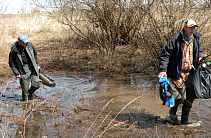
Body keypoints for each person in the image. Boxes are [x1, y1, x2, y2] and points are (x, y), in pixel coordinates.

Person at [158, 20, 204, 125]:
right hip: (177, 73)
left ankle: (184, 121)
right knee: (179, 98)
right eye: (190, 27)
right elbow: (165, 55)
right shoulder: (175, 39)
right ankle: (172, 115)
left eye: (194, 27)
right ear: (185, 27)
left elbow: (199, 51)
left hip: (191, 74)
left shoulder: (196, 39)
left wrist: (200, 57)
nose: (192, 29)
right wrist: (162, 70)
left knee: (190, 99)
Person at [9, 35, 41, 101]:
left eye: (25, 42)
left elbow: (35, 55)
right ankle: (25, 106)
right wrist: (17, 73)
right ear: (19, 42)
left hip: (32, 67)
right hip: (22, 69)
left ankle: (30, 93)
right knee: (25, 92)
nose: (25, 44)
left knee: (37, 83)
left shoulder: (30, 45)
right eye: (23, 42)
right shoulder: (14, 50)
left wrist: (37, 65)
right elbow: (11, 63)